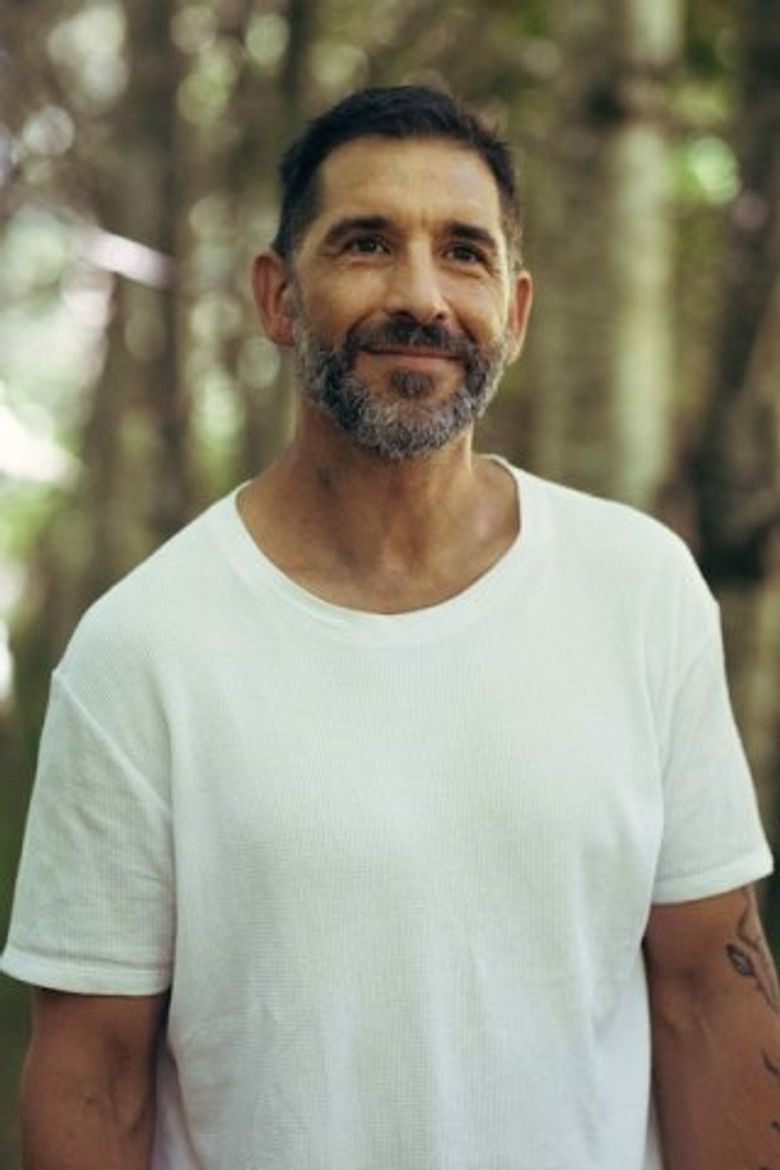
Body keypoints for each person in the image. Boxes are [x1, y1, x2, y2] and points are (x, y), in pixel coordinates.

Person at [2, 84, 778, 1170]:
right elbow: (95, 1077)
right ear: (278, 298)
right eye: (366, 243)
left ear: (514, 312)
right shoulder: (144, 650)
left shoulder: (640, 591)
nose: (420, 296)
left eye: (463, 253)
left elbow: (708, 995)